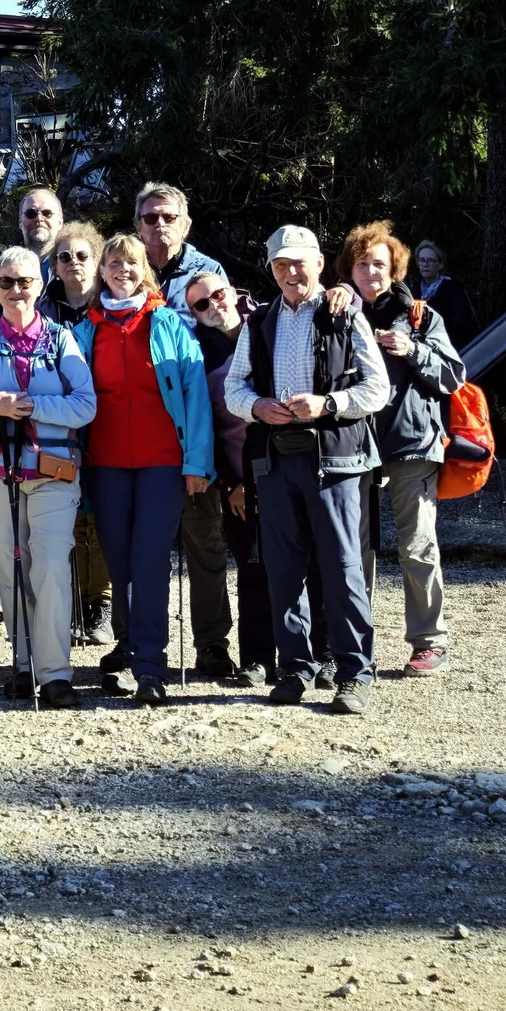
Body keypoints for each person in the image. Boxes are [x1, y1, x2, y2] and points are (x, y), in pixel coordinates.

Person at [224, 224, 391, 714]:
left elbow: (376, 388)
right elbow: (234, 387)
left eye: (299, 262)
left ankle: (355, 673)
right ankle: (294, 669)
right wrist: (256, 407)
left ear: (320, 263)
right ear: (271, 269)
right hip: (276, 462)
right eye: (280, 264)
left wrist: (328, 403)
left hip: (336, 462)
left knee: (342, 569)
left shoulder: (345, 315)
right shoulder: (258, 323)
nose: (291, 272)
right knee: (283, 570)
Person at [0, 245, 98, 707]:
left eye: (25, 281)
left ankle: (55, 673)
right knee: (11, 567)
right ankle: (24, 664)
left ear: (39, 285)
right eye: (6, 283)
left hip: (54, 471)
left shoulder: (62, 339)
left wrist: (34, 405)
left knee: (51, 566)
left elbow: (86, 405)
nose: (16, 291)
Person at [75, 230, 215, 706]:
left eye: (132, 263)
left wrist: (197, 462)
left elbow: (196, 396)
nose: (123, 270)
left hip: (163, 463)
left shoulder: (170, 324)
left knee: (150, 561)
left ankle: (150, 665)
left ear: (145, 271)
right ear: (102, 271)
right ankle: (129, 644)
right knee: (118, 561)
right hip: (106, 463)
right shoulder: (85, 329)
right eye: (113, 263)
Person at [340, 222, 463, 678]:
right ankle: (355, 645)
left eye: (379, 264)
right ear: (348, 268)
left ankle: (429, 642)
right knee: (355, 548)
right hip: (352, 445)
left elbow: (454, 376)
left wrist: (412, 350)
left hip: (412, 444)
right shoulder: (334, 313)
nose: (371, 271)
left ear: (395, 270)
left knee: (417, 546)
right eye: (362, 263)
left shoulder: (420, 316)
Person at [183, 270, 276, 684]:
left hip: (291, 466)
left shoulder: (272, 326)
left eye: (217, 295)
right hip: (239, 477)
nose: (213, 305)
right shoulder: (199, 354)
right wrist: (232, 481)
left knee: (301, 563)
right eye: (200, 305)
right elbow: (210, 425)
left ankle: (305, 655)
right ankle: (257, 658)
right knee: (252, 566)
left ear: (234, 291)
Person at [40, 219, 113, 646]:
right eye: (64, 257)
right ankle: (69, 604)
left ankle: (99, 604)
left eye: (82, 256)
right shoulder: (41, 307)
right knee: (66, 510)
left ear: (98, 261)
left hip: (106, 420)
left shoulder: (113, 305)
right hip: (54, 423)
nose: (73, 264)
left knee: (98, 513)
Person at [134, 182, 228, 317]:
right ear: (138, 227)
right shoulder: (123, 270)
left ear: (185, 227)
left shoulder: (209, 270)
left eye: (169, 218)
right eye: (150, 218)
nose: (160, 223)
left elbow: (225, 324)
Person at [414, 240, 479, 351]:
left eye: (430, 260)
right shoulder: (414, 290)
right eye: (422, 260)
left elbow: (460, 325)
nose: (425, 264)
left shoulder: (452, 289)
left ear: (441, 265)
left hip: (448, 349)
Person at [18, 189, 65, 276]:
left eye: (47, 213)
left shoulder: (70, 266)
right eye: (31, 213)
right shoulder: (4, 266)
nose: (39, 218)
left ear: (59, 222)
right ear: (20, 222)